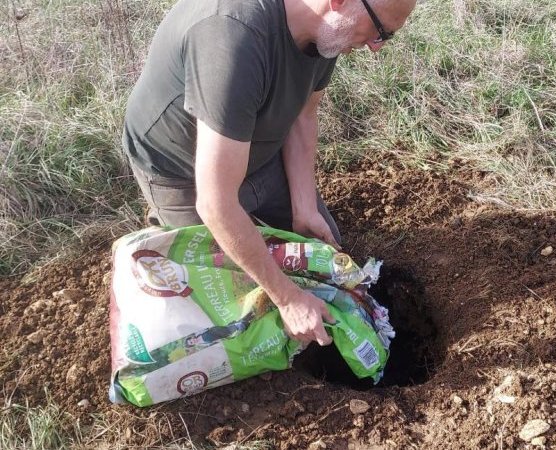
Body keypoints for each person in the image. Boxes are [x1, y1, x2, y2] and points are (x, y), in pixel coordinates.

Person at [122, 0, 417, 348]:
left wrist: (304, 207)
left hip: (256, 150)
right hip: (179, 168)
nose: (376, 46)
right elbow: (216, 203)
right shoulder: (233, 36)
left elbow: (304, 115)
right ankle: (167, 223)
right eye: (380, 31)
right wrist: (288, 298)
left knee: (323, 258)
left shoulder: (326, 31)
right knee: (233, 306)